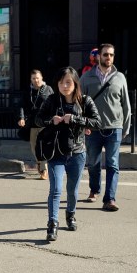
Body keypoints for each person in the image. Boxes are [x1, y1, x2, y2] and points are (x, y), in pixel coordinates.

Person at [36, 67, 100, 242]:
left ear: (75, 83)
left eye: (68, 82)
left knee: (72, 190)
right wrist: (51, 120)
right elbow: (38, 119)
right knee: (56, 189)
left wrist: (75, 119)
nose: (64, 86)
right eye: (61, 82)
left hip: (77, 152)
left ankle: (70, 215)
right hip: (55, 151)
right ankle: (52, 224)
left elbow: (97, 122)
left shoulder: (85, 101)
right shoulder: (51, 100)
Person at [80, 43, 132, 212]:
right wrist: (82, 125)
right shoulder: (86, 78)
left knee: (112, 164)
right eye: (105, 54)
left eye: (111, 55)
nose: (108, 57)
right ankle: (94, 189)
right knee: (93, 163)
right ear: (98, 57)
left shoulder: (120, 78)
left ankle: (110, 199)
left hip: (114, 128)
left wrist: (126, 127)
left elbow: (126, 105)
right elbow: (79, 105)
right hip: (92, 129)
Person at [18, 69, 53, 179]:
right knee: (34, 147)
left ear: (41, 78)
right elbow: (22, 105)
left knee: (44, 146)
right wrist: (21, 118)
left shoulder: (48, 89)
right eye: (33, 78)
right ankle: (39, 162)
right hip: (32, 123)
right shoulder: (28, 91)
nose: (36, 80)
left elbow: (54, 104)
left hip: (45, 123)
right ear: (31, 80)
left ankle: (44, 169)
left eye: (37, 78)